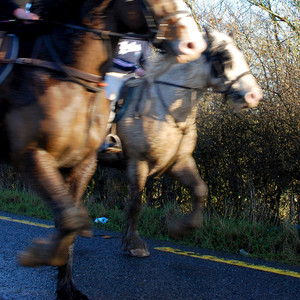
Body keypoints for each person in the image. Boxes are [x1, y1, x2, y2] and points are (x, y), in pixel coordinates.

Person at [105, 38, 152, 110]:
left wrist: (149, 73)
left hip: (131, 75)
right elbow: (113, 59)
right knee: (110, 98)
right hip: (114, 73)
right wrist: (135, 68)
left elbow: (146, 61)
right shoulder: (119, 36)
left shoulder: (143, 41)